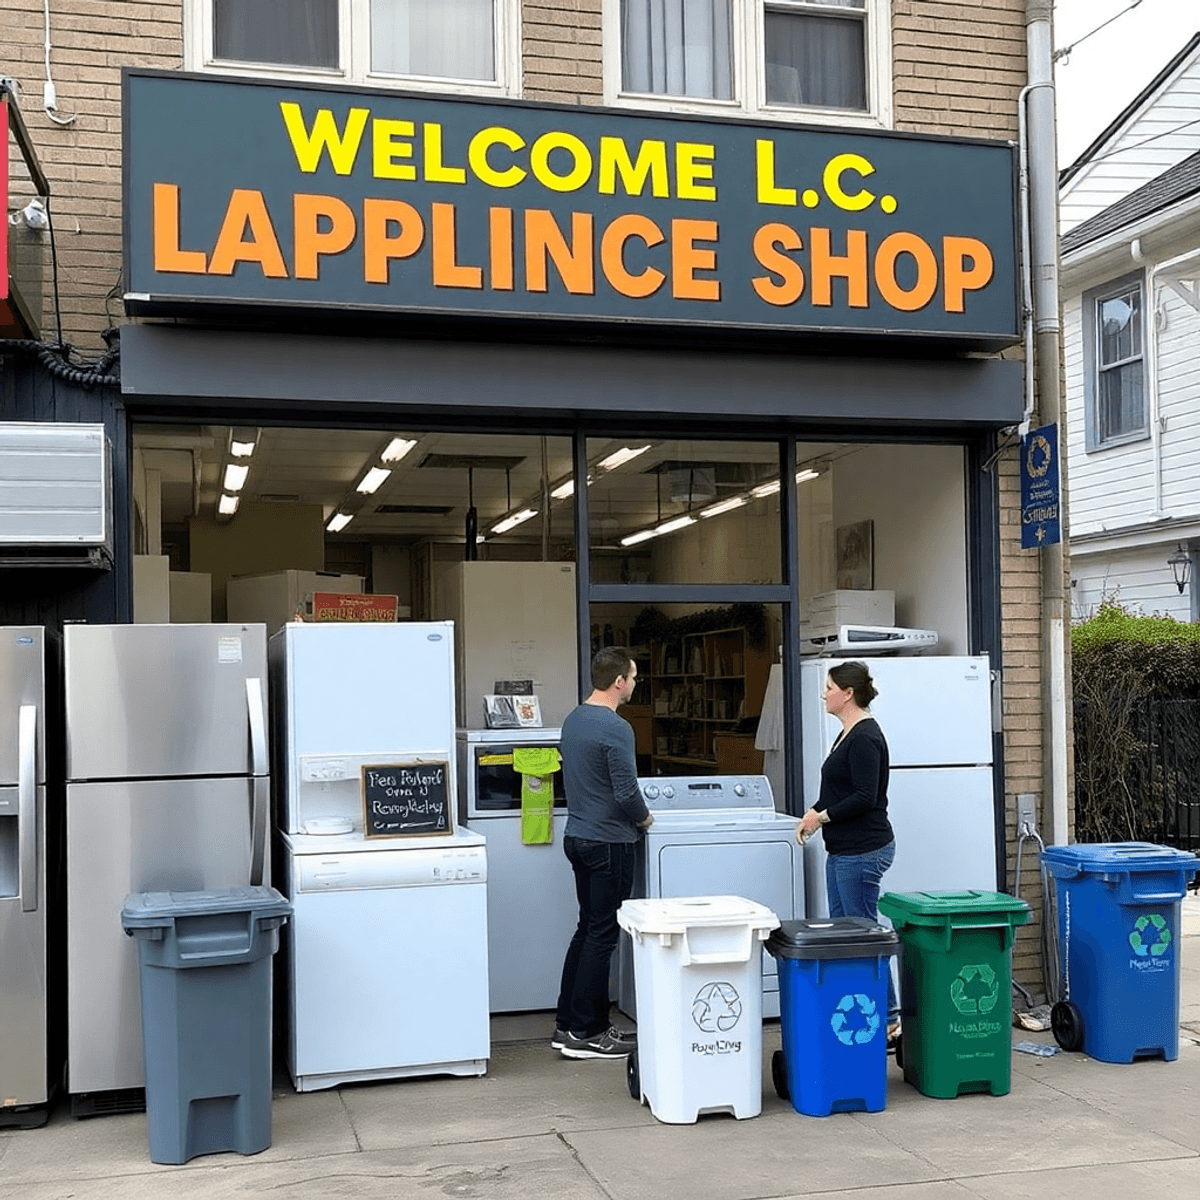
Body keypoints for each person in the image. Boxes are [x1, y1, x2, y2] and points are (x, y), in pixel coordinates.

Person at [553, 646, 653, 1060]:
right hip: (610, 840)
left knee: (587, 929)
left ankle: (567, 1023)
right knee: (603, 934)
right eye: (633, 678)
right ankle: (589, 1031)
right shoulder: (615, 727)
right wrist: (645, 820)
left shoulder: (573, 719)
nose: (634, 684)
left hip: (577, 835)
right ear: (618, 682)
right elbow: (626, 789)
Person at [796, 660, 900, 1041]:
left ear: (848, 693)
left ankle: (889, 1019)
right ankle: (858, 1004)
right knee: (844, 935)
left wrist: (821, 818)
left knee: (862, 934)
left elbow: (864, 796)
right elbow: (839, 788)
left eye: (828, 687)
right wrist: (814, 810)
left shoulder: (866, 737)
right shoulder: (846, 733)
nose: (823, 693)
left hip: (863, 850)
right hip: (843, 850)